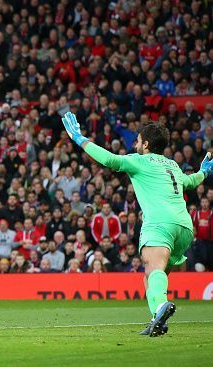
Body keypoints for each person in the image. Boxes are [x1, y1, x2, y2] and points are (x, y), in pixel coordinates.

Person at [62, 110, 213, 337]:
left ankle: (162, 306)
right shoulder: (171, 165)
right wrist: (203, 172)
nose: (135, 145)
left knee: (154, 269)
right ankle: (156, 319)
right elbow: (190, 182)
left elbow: (110, 160)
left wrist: (80, 140)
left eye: (138, 141)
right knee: (150, 275)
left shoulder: (140, 161)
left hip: (160, 224)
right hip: (183, 227)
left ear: (146, 144)